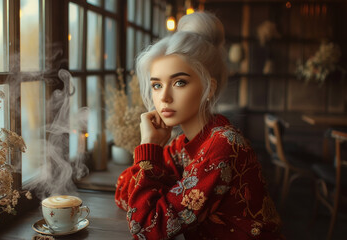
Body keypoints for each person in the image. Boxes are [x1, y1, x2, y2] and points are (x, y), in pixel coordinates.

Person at [114, 12, 284, 240]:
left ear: (208, 88)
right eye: (156, 85)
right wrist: (151, 154)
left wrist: (149, 148)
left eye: (179, 82)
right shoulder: (182, 144)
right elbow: (123, 192)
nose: (164, 97)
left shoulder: (222, 146)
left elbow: (146, 229)